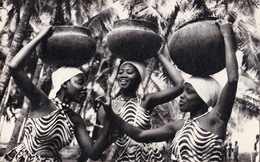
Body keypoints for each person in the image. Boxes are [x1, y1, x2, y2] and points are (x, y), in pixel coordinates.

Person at [101, 18, 238, 161]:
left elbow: (233, 79)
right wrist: (110, 112)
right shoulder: (178, 126)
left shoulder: (216, 119)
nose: (182, 96)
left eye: (189, 92)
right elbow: (140, 135)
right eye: (184, 91)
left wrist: (227, 35)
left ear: (204, 97)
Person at [3, 26, 111, 162]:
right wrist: (41, 36)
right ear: (64, 83)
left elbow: (92, 153)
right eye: (79, 82)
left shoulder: (75, 119)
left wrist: (108, 119)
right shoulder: (42, 102)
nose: (84, 88)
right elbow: (14, 67)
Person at [98, 42, 184, 161]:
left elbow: (179, 85)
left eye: (129, 72)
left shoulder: (145, 101)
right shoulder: (107, 106)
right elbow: (101, 142)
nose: (123, 75)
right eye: (121, 72)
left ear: (139, 78)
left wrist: (158, 55)